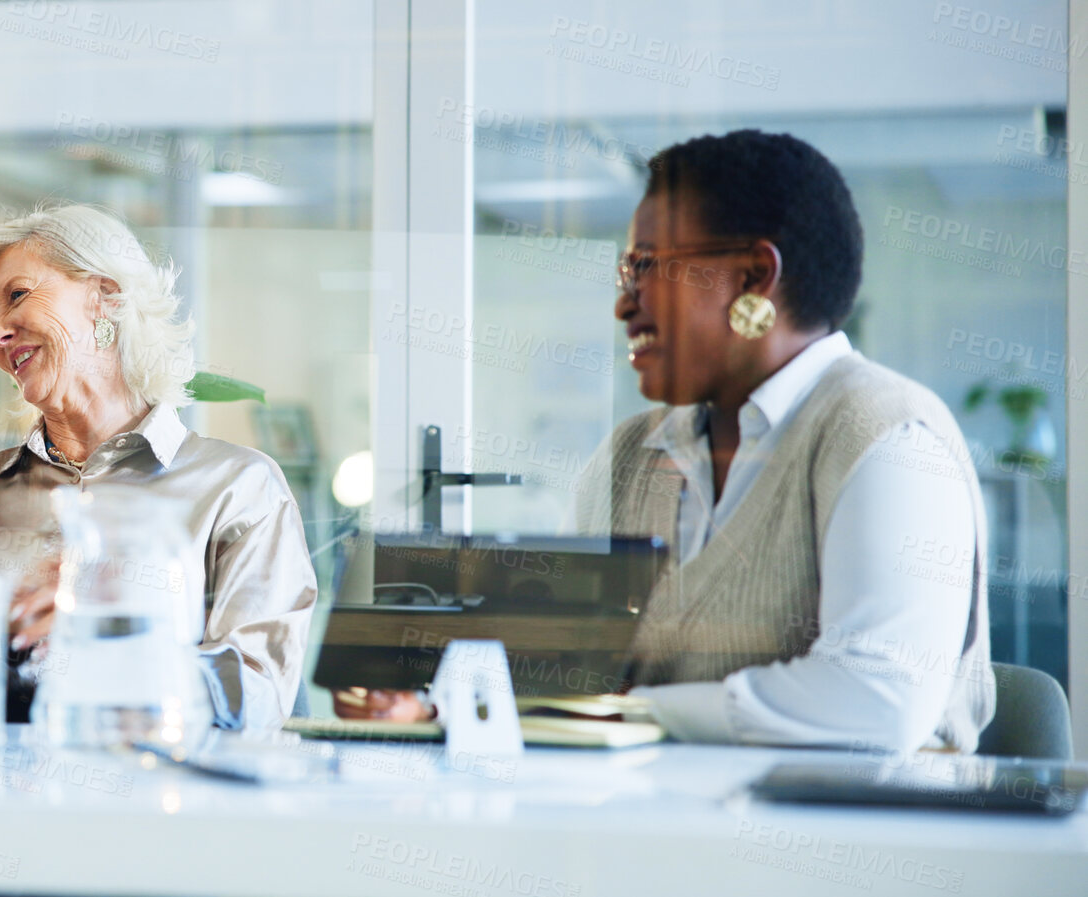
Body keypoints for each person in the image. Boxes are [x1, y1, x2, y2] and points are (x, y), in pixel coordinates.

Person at [339, 130, 993, 754]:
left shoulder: (886, 437)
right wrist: (435, 708)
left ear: (751, 277)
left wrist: (638, 711)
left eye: (645, 266)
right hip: (650, 838)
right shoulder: (628, 457)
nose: (623, 303)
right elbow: (563, 675)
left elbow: (877, 701)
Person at [0, 204, 317, 730]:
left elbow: (260, 694)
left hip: (156, 801)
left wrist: (116, 640)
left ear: (105, 297)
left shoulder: (237, 488)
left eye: (17, 296)